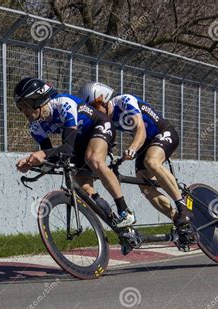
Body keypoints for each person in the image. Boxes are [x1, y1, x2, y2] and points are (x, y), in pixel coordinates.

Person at [14, 77, 137, 237]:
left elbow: (66, 148)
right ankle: (122, 229)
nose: (23, 112)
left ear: (38, 99)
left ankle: (124, 211)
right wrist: (31, 164)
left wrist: (42, 154)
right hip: (79, 141)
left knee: (93, 159)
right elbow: (52, 157)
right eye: (19, 107)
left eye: (25, 105)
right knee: (85, 190)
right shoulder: (35, 126)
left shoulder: (63, 103)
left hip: (99, 126)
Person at [78, 82, 194, 234]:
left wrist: (132, 148)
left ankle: (182, 207)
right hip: (145, 145)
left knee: (151, 161)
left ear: (104, 100)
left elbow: (141, 130)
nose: (94, 111)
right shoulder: (105, 120)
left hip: (163, 133)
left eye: (95, 106)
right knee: (145, 187)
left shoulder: (125, 101)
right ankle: (178, 219)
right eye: (90, 109)